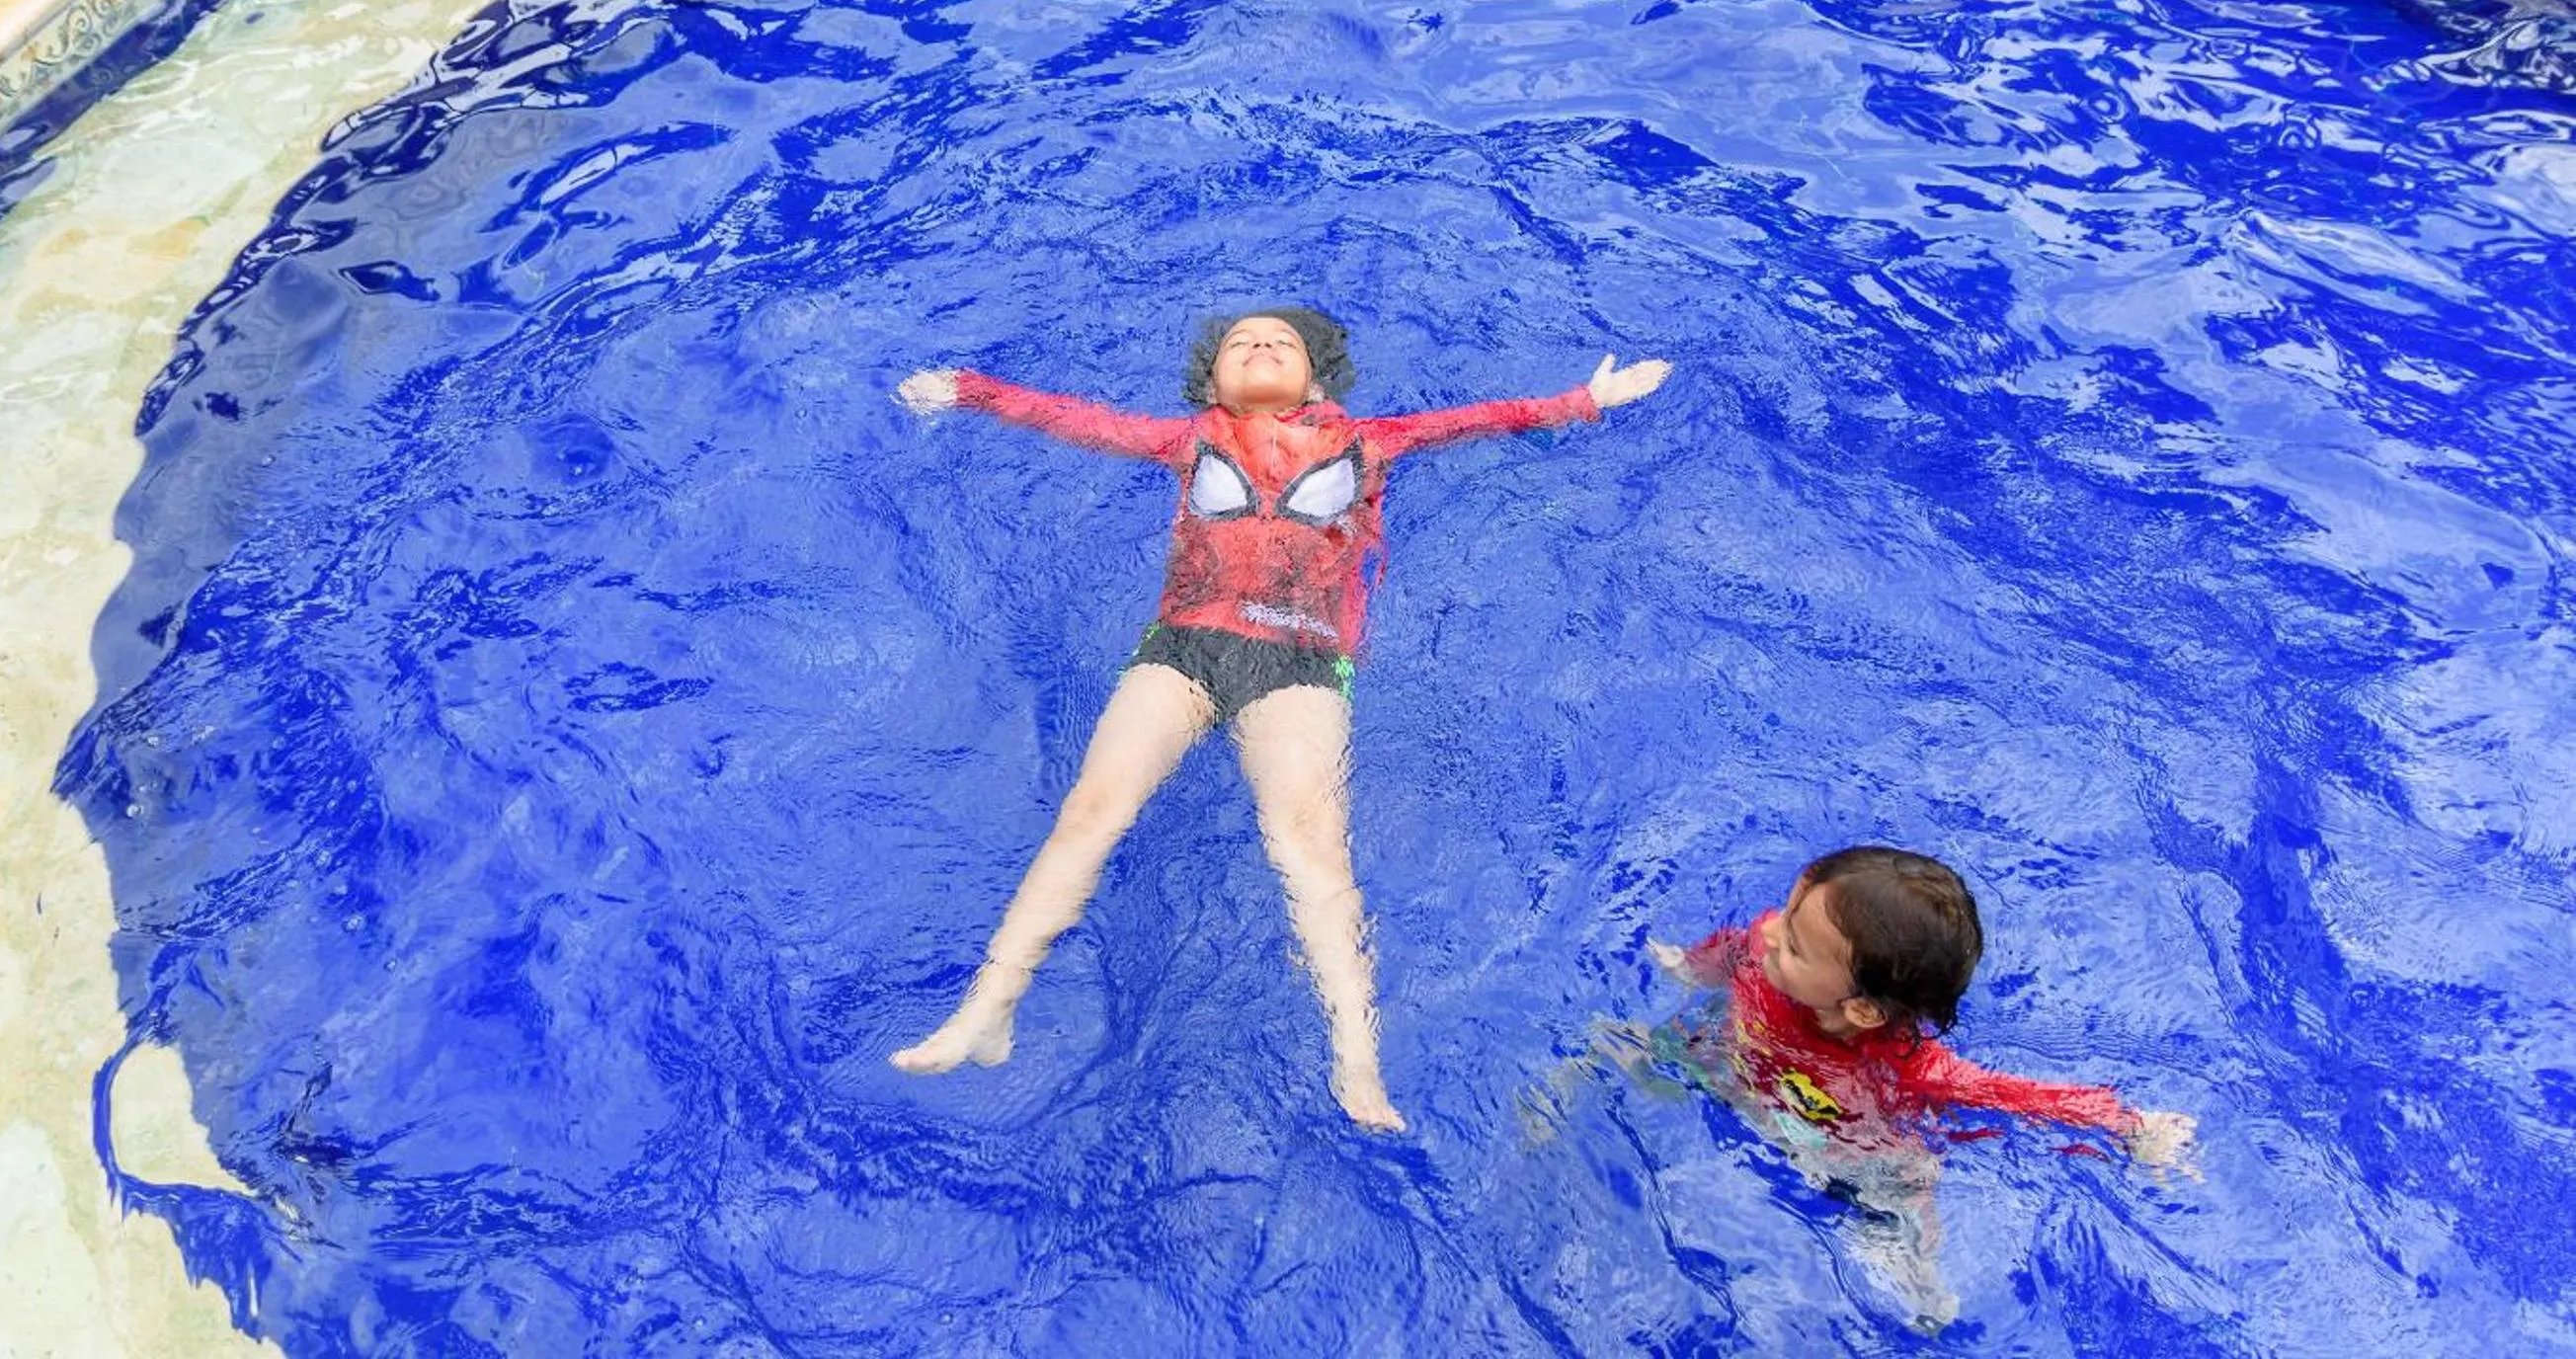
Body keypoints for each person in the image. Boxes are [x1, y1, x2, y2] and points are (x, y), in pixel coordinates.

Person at [889, 308, 1671, 1130]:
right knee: (1091, 809)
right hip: (1183, 648)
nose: (1260, 344)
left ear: (1316, 379)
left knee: (1309, 841)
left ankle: (1356, 1058)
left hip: (1301, 659)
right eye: (1240, 343)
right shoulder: (1186, 440)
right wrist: (969, 390)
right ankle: (990, 1007)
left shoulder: (1370, 442)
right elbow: (1076, 420)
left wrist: (1586, 401)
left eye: (1280, 342)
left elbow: (1476, 420)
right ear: (1211, 383)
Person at [1537, 845, 2193, 1323]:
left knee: (1901, 1188)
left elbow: (2014, 1094)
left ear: (1863, 1011)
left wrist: (2132, 1125)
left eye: (1795, 942)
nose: (1770, 932)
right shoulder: (1766, 952)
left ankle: (1922, 1286)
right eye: (1789, 910)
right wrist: (1687, 966)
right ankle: (1554, 1099)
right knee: (1615, 1042)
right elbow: (1729, 952)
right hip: (1728, 1065)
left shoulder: (1907, 1065)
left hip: (1836, 1137)